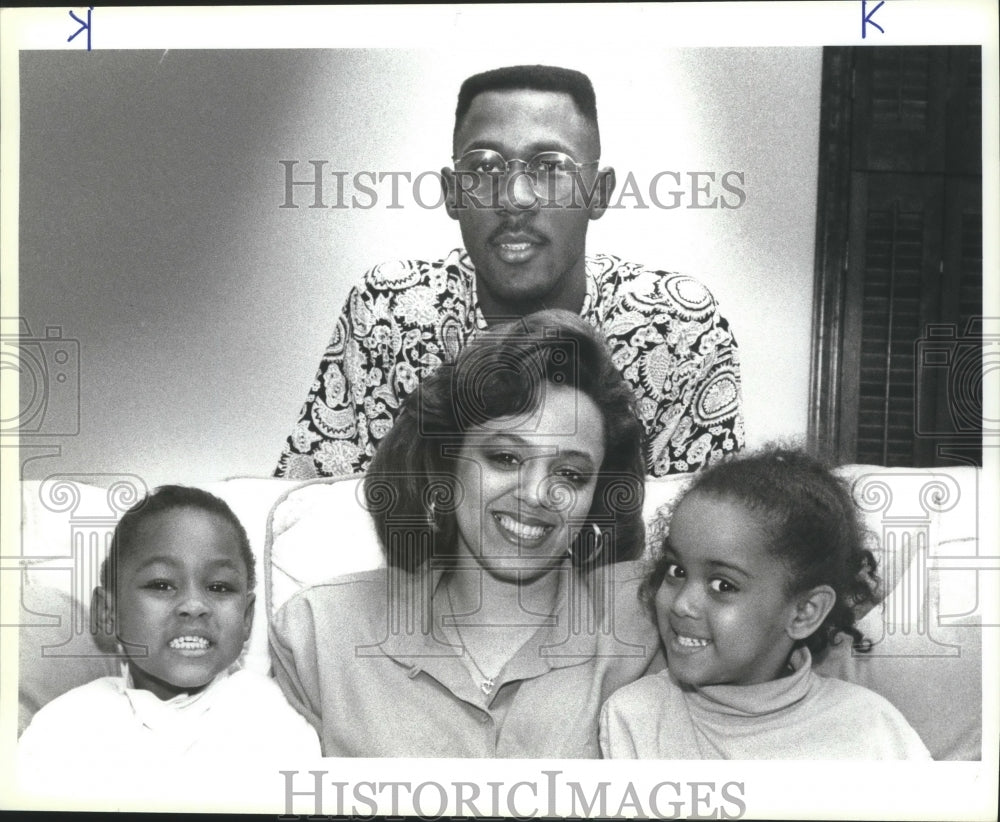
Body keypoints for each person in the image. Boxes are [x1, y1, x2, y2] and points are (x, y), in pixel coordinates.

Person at [275, 64, 744, 480]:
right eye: (484, 166)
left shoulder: (676, 327)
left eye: (551, 167)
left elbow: (709, 534)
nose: (515, 197)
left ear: (598, 194)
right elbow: (311, 509)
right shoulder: (391, 311)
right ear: (453, 193)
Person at [270, 310, 663, 757]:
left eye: (571, 474)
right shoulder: (317, 633)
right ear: (446, 463)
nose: (537, 494)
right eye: (505, 458)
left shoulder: (650, 629)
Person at [599, 448, 932, 760]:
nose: (682, 604)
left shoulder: (874, 730)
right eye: (677, 571)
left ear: (805, 612)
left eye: (723, 585)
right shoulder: (635, 718)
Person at [17, 485, 320, 787]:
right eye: (161, 585)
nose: (194, 606)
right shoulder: (64, 729)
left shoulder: (275, 725)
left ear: (246, 618)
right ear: (108, 614)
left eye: (219, 587)